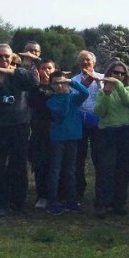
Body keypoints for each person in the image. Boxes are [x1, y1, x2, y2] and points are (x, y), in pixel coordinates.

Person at [0, 43, 37, 216]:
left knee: (19, 165)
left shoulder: (19, 73)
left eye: (6, 56)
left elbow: (34, 81)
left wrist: (13, 71)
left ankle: (18, 203)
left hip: (19, 125)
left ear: (12, 58)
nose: (3, 59)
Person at [93, 59, 129, 216]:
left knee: (124, 168)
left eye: (122, 73)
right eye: (115, 73)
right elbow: (99, 112)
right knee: (106, 168)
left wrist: (117, 85)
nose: (118, 75)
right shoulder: (101, 92)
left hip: (127, 132)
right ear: (109, 73)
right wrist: (106, 93)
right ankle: (103, 203)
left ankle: (119, 203)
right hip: (107, 133)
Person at [45, 71, 89, 215]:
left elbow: (85, 93)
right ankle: (52, 201)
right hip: (58, 138)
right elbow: (62, 114)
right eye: (56, 83)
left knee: (70, 170)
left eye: (61, 83)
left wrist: (71, 82)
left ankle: (71, 200)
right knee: (55, 170)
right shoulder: (51, 101)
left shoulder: (73, 97)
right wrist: (65, 96)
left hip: (73, 137)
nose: (59, 86)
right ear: (51, 85)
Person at [72, 50, 102, 203]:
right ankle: (78, 191)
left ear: (94, 62)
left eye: (88, 60)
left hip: (99, 122)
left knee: (99, 157)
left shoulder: (102, 77)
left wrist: (96, 81)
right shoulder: (74, 80)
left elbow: (106, 94)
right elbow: (73, 98)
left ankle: (100, 192)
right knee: (78, 157)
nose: (85, 63)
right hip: (80, 121)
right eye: (82, 60)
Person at [27, 58, 57, 209]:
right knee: (40, 164)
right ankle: (42, 195)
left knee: (56, 164)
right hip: (39, 131)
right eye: (43, 68)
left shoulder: (59, 87)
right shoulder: (34, 88)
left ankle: (57, 195)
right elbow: (33, 103)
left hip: (57, 130)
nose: (46, 71)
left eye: (49, 68)